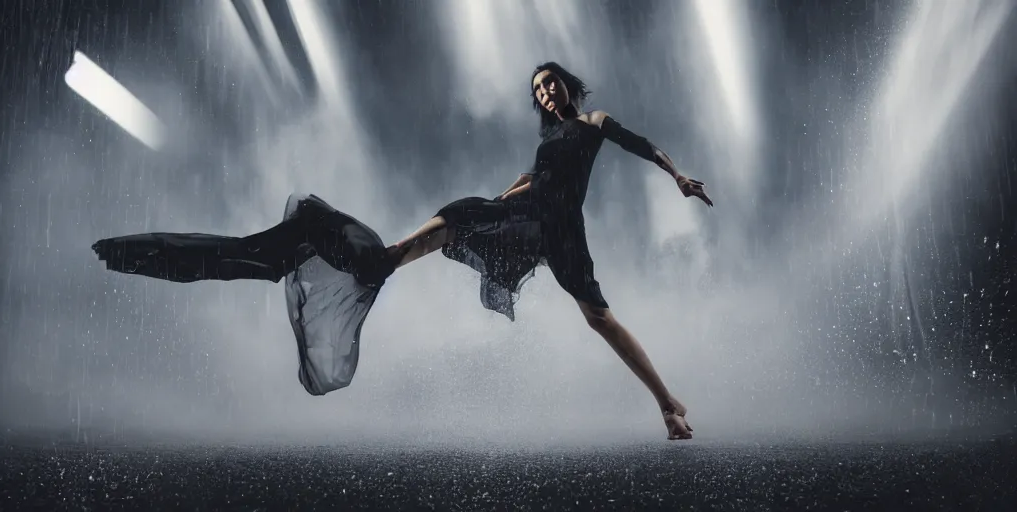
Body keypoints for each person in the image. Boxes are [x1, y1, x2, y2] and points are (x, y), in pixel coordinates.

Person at [92, 62, 713, 440]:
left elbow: (641, 144)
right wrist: (499, 202)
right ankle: (375, 256)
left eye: (551, 84)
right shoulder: (550, 137)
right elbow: (533, 179)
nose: (547, 93)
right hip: (523, 215)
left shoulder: (593, 123)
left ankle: (668, 405)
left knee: (599, 318)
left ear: (567, 86)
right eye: (538, 90)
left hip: (562, 231)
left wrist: (678, 175)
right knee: (461, 211)